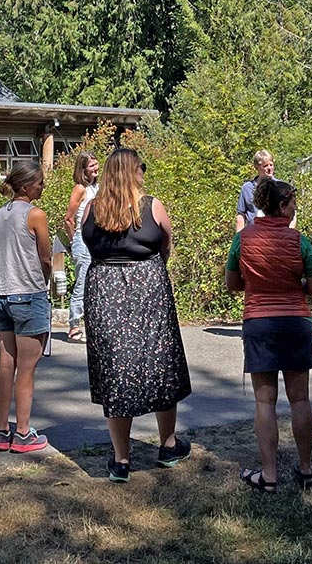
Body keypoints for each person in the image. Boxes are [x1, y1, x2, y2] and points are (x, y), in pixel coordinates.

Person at [82, 148, 192, 482]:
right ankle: (168, 444)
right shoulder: (151, 205)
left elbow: (88, 247)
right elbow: (166, 244)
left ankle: (121, 459)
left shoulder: (92, 208)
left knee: (114, 367)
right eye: (141, 167)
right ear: (133, 171)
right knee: (160, 361)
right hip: (148, 287)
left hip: (103, 290)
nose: (144, 172)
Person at [225, 179, 312, 493]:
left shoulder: (242, 239)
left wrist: (258, 287)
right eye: (292, 203)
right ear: (282, 206)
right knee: (300, 399)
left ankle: (269, 475)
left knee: (264, 402)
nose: (295, 207)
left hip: (259, 322)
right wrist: (296, 288)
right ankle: (306, 469)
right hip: (296, 321)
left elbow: (232, 284)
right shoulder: (299, 241)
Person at [0, 161, 54, 454]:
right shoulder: (35, 214)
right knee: (27, 369)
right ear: (27, 186)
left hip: (1, 294)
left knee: (6, 364)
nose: (42, 187)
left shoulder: (0, 215)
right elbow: (45, 256)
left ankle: (2, 430)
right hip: (28, 294)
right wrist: (48, 279)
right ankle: (24, 432)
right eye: (39, 183)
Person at [63, 152, 100, 343]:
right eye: (91, 166)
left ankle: (91, 324)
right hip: (82, 240)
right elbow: (68, 218)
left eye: (96, 164)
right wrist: (74, 240)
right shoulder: (80, 189)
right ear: (83, 169)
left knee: (95, 283)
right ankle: (74, 326)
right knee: (82, 283)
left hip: (96, 240)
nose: (96, 168)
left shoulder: (97, 187)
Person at [235, 150, 275, 232]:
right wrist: (239, 239)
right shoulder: (247, 188)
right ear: (257, 167)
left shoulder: (281, 187)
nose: (269, 168)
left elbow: (291, 213)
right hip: (253, 237)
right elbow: (241, 215)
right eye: (265, 166)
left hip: (274, 236)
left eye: (271, 165)